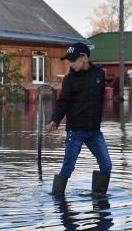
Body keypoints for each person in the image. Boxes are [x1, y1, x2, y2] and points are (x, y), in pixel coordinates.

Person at [46, 42, 112, 196]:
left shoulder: (99, 74)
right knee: (68, 167)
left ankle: (99, 197)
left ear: (84, 58)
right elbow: (63, 102)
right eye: (69, 60)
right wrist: (55, 120)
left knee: (106, 165)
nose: (70, 63)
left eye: (73, 60)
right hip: (75, 131)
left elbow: (99, 98)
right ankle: (57, 198)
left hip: (94, 131)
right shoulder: (69, 79)